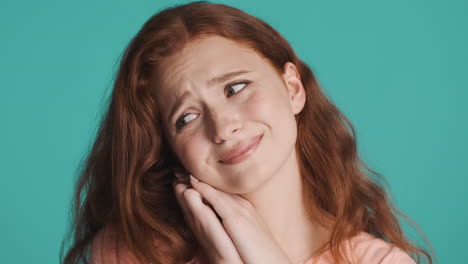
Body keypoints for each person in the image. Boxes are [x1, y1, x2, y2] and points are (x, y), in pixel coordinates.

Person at [60, 1, 434, 264]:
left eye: (235, 88)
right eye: (186, 118)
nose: (223, 127)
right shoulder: (130, 253)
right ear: (170, 148)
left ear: (293, 89)